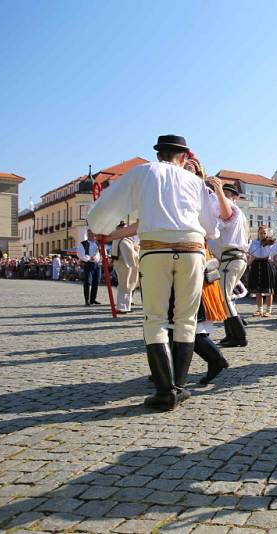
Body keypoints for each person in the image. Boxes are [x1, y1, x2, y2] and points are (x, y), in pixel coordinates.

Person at [87, 134, 220, 411]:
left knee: (156, 319)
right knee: (186, 319)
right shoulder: (195, 182)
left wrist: (100, 227)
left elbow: (109, 205)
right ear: (183, 157)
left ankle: (165, 390)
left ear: (159, 154)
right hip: (192, 249)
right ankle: (179, 387)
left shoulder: (143, 172)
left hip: (156, 248)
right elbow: (210, 227)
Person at [209, 180, 249, 348]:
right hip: (234, 258)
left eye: (226, 196)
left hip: (231, 258)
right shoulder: (240, 214)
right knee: (226, 297)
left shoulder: (232, 210)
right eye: (222, 195)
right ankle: (230, 333)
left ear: (234, 198)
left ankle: (239, 336)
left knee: (224, 298)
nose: (222, 198)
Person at [111, 222, 140, 313]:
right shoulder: (124, 241)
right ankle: (123, 307)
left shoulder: (117, 240)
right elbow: (130, 255)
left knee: (124, 286)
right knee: (126, 286)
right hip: (126, 266)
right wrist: (137, 253)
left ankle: (124, 306)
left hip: (121, 265)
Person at [247, 225, 275, 317]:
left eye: (264, 233)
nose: (263, 235)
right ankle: (260, 310)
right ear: (258, 233)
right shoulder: (253, 243)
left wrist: (269, 244)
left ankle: (269, 310)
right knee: (258, 289)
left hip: (266, 263)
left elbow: (272, 253)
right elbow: (250, 254)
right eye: (261, 233)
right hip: (256, 263)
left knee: (268, 289)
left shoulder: (270, 242)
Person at [77, 229, 101, 305]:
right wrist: (89, 258)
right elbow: (80, 254)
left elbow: (102, 253)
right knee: (87, 282)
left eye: (93, 233)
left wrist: (101, 258)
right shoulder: (83, 243)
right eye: (89, 233)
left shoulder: (98, 244)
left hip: (97, 265)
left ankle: (93, 299)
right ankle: (87, 300)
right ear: (87, 234)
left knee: (96, 282)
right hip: (88, 264)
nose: (92, 235)